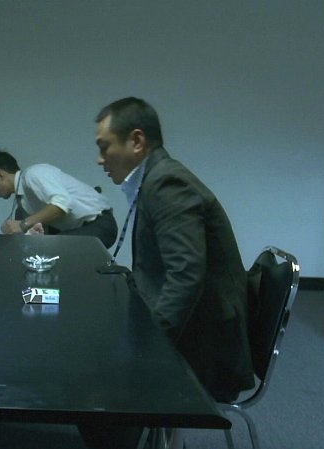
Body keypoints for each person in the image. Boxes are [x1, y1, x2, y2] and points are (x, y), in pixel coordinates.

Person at [83, 97, 255, 448]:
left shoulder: (167, 183)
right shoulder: (157, 178)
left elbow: (186, 275)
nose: (100, 159)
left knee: (96, 380)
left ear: (136, 141)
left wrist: (151, 346)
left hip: (206, 347)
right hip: (198, 327)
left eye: (104, 147)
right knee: (99, 347)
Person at [0, 150, 117, 248]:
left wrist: (22, 224)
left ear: (0, 174)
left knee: (53, 252)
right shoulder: (23, 201)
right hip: (81, 228)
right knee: (43, 253)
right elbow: (42, 231)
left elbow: (62, 204)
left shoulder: (32, 174)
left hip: (99, 225)